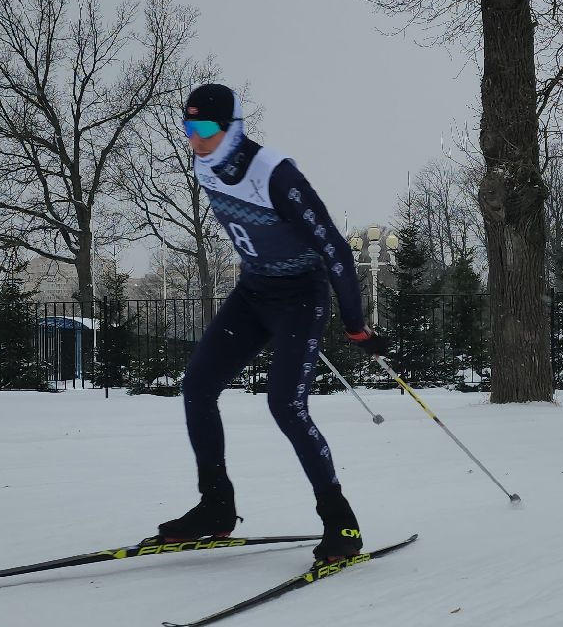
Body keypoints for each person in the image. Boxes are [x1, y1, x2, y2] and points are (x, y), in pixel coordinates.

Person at [148, 83, 389, 566]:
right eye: (188, 127)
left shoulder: (274, 174)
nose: (195, 138)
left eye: (205, 128)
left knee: (285, 405)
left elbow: (337, 251)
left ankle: (340, 520)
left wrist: (356, 325)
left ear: (233, 127)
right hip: (254, 292)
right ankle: (216, 507)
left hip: (301, 296)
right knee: (196, 387)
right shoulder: (204, 165)